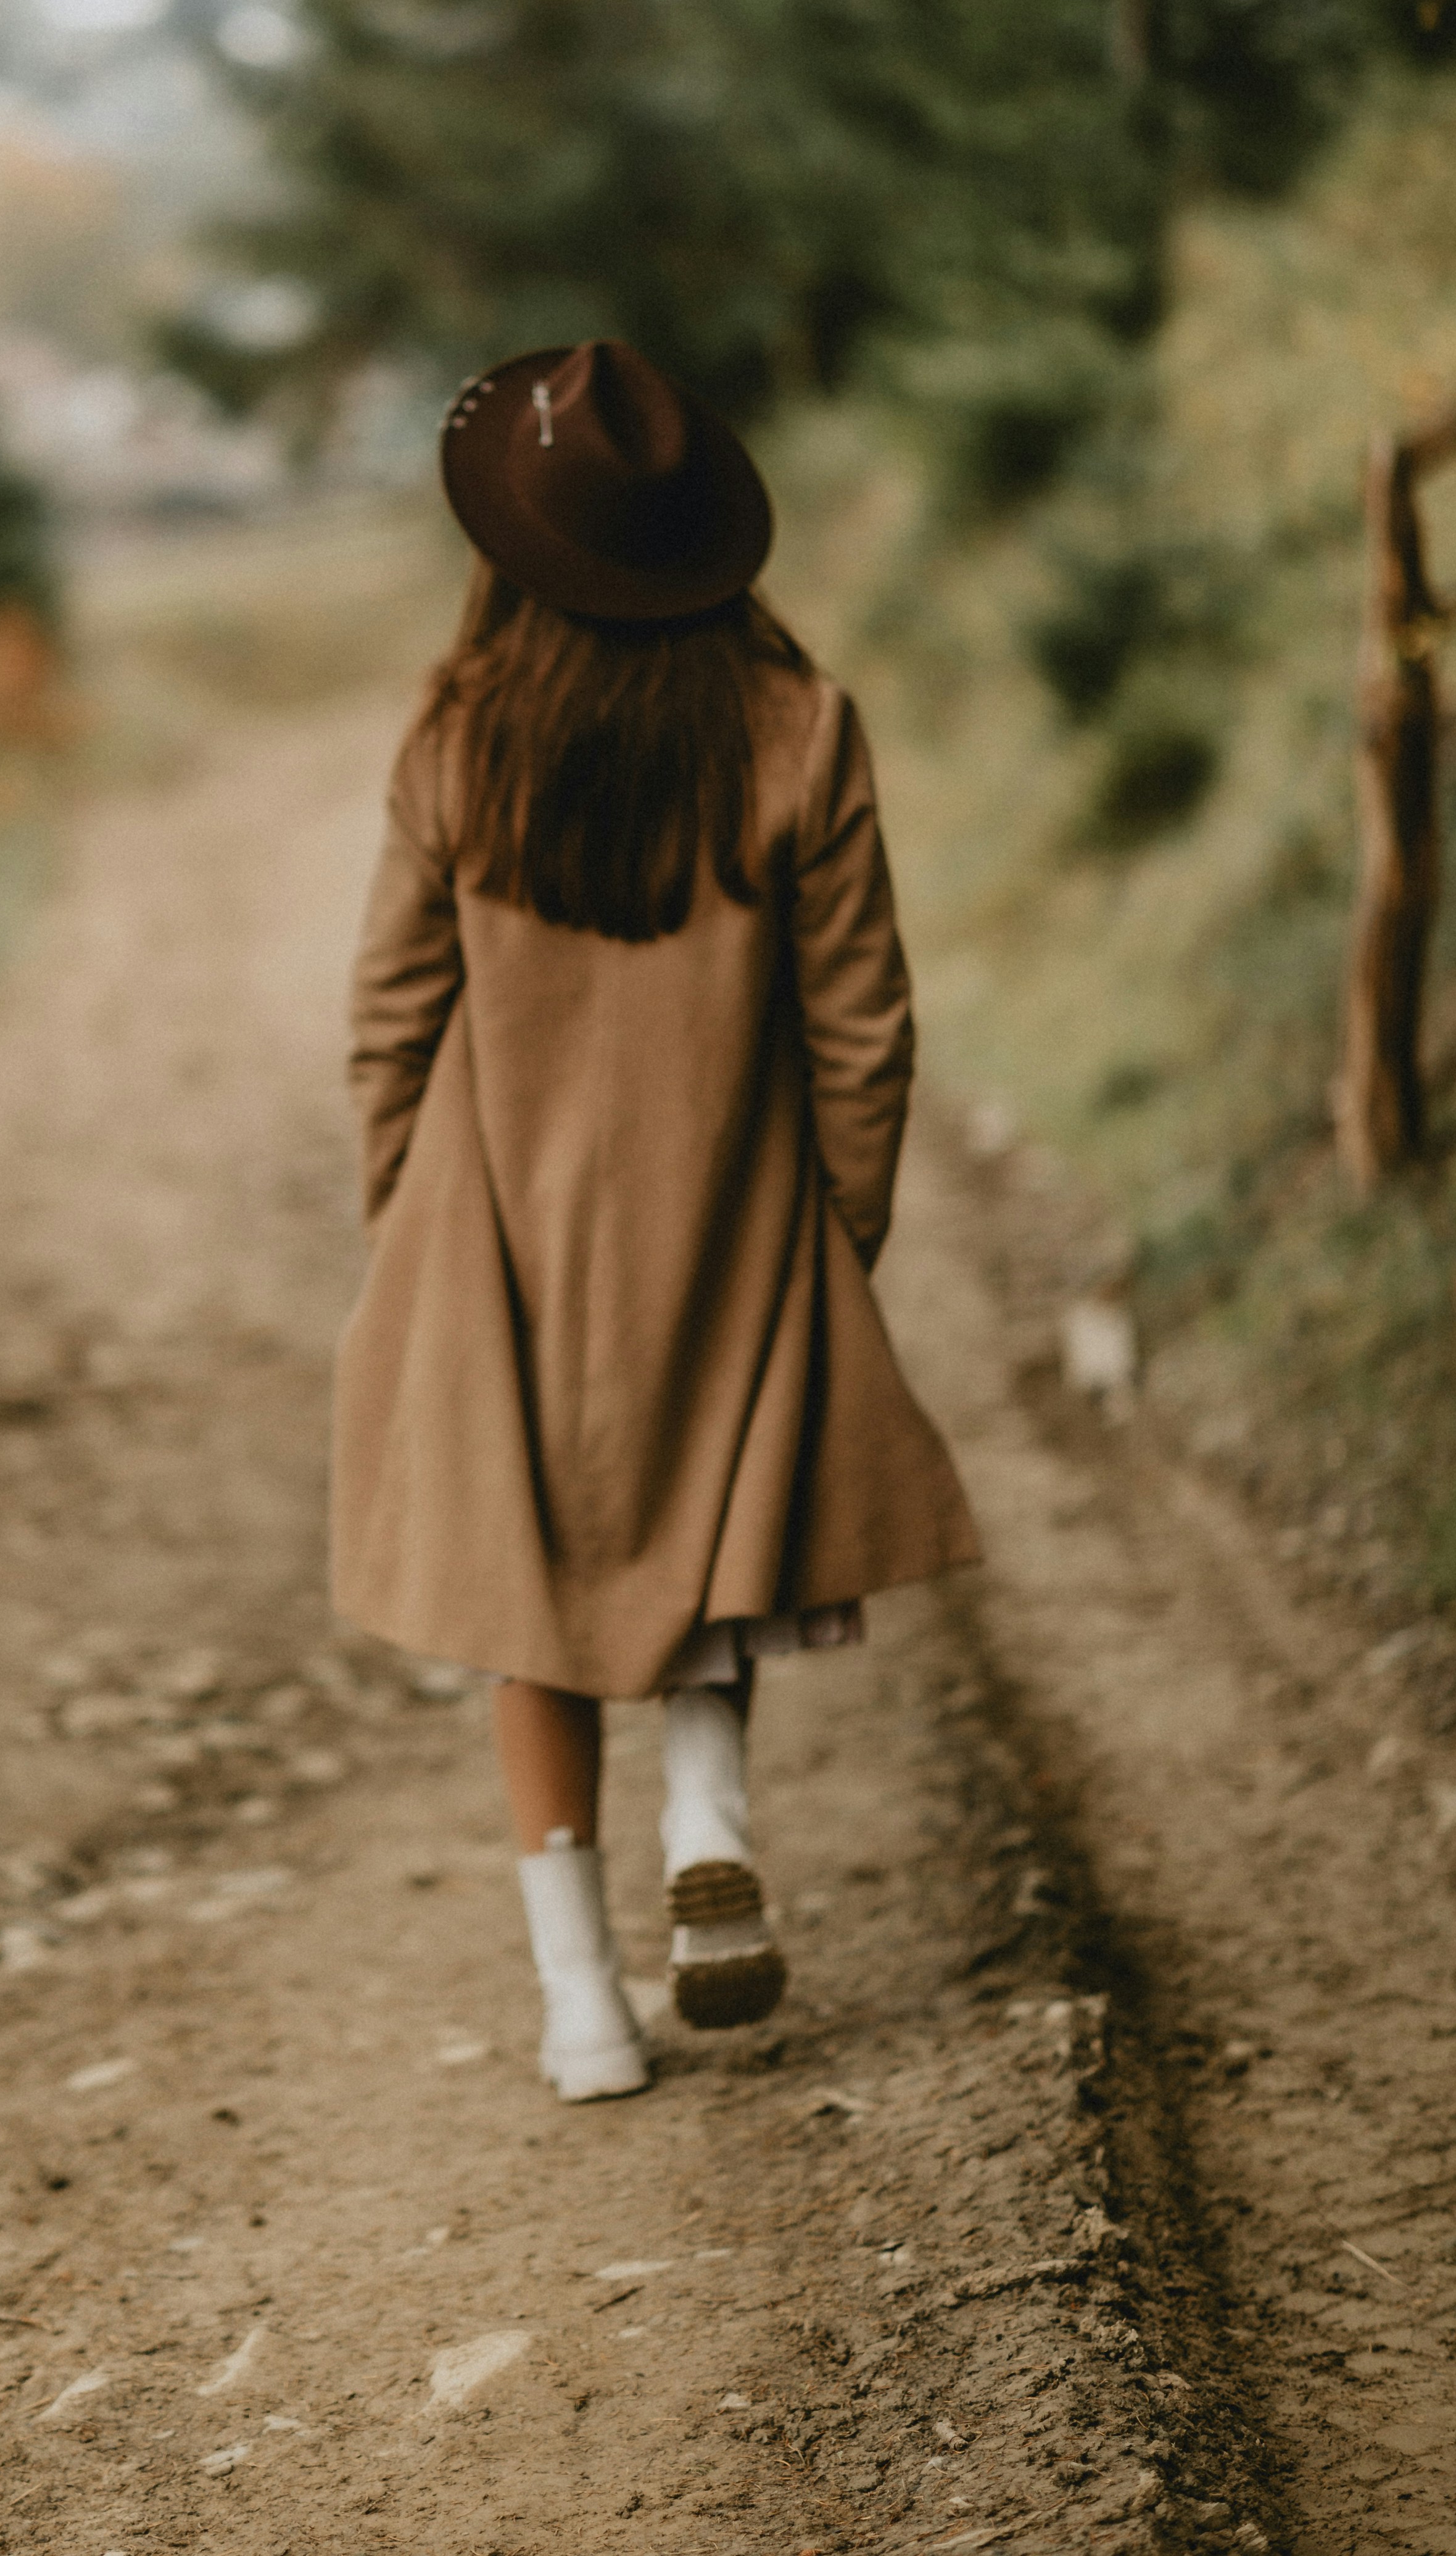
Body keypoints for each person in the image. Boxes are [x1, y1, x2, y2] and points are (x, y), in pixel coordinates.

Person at [330, 339, 979, 2102]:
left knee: (521, 1597)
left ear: (515, 554)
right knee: (713, 1538)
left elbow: (393, 1010)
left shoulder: (456, 739)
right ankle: (707, 1803)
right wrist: (842, 1217)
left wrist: (407, 1205)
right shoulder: (798, 729)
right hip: (733, 1204)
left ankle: (582, 2011)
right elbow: (864, 1018)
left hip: (498, 1229)